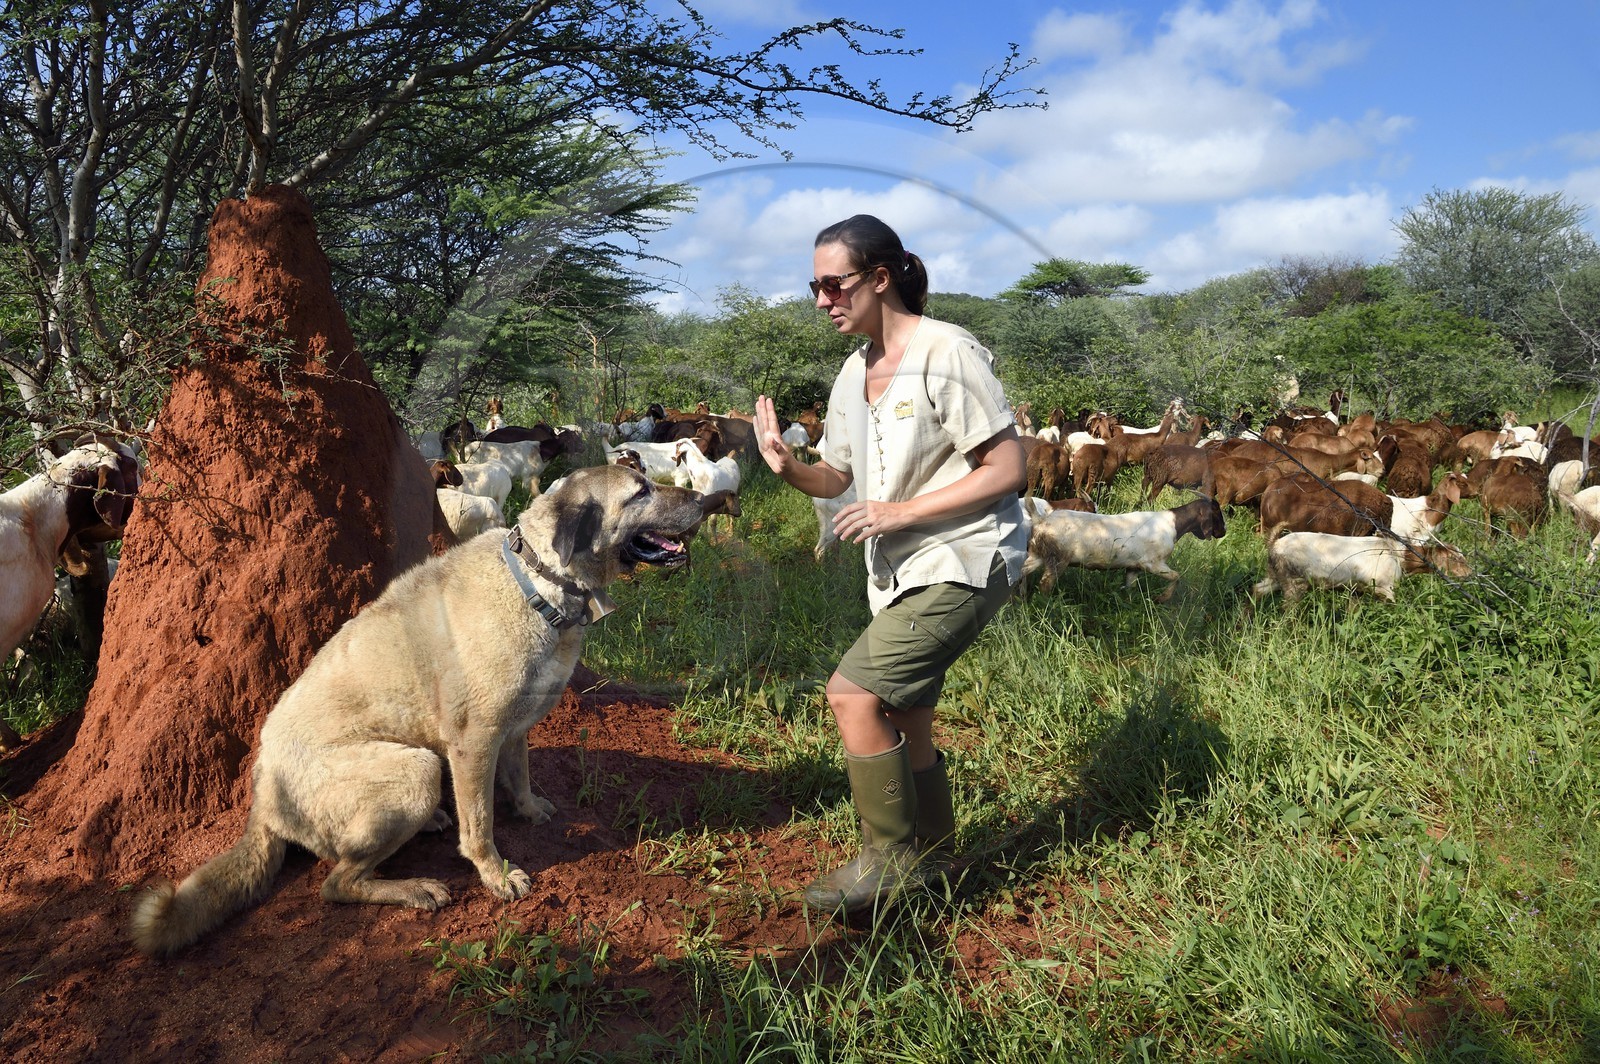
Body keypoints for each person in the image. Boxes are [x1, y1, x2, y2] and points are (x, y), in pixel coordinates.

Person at [753, 214, 1029, 919]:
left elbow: (1008, 469)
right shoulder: (852, 372)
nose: (822, 301)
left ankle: (889, 858)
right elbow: (837, 477)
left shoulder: (945, 351)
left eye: (833, 284)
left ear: (880, 278)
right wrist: (788, 468)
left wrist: (900, 514)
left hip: (966, 555)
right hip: (902, 568)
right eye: (813, 287)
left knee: (851, 693)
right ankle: (938, 862)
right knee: (906, 714)